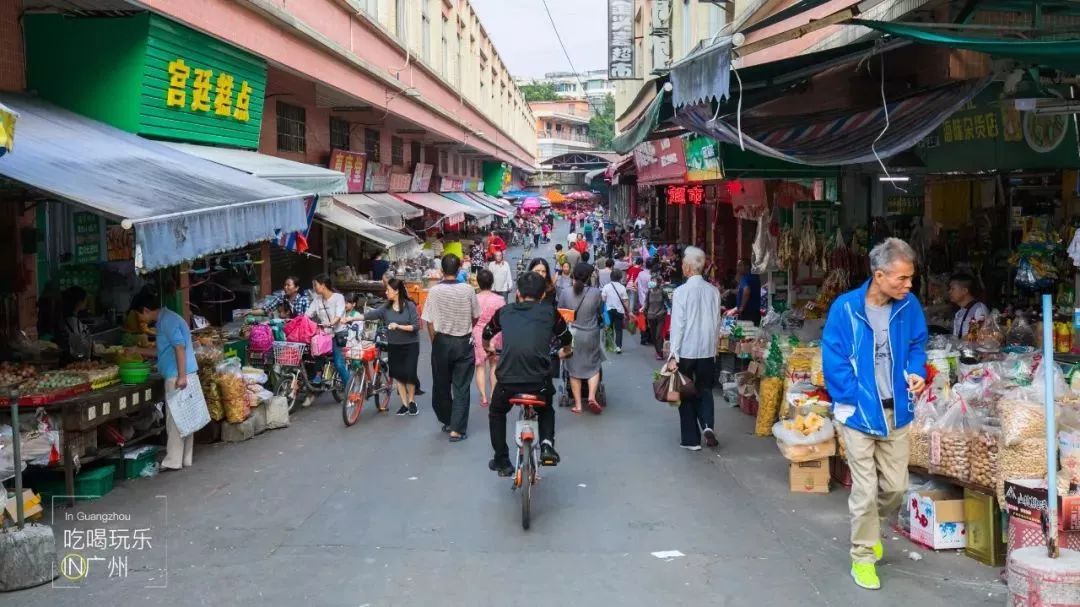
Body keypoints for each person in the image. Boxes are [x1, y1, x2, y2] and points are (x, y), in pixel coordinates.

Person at [821, 237, 928, 591]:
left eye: (910, 278)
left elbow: (916, 343)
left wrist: (916, 371)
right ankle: (863, 557)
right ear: (879, 275)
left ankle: (870, 527)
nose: (908, 285)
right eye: (902, 278)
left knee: (896, 488)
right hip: (858, 414)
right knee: (864, 491)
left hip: (897, 411)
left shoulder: (909, 306)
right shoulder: (846, 308)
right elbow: (833, 358)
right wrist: (850, 397)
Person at [482, 271, 573, 476]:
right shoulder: (550, 312)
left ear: (518, 293)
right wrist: (565, 351)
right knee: (546, 409)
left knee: (496, 413)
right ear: (542, 295)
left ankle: (502, 460)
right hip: (538, 383)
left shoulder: (504, 312)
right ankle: (547, 445)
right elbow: (566, 338)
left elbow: (486, 333)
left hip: (507, 383)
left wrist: (488, 347)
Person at [131, 289, 200, 470]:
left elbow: (179, 347)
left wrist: (182, 376)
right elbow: (164, 351)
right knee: (186, 418)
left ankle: (173, 461)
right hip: (184, 373)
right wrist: (137, 351)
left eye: (139, 315)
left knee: (175, 419)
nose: (140, 320)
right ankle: (185, 458)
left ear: (145, 310)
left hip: (177, 376)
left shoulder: (167, 322)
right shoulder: (168, 319)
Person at [666, 247, 721, 451]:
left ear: (688, 267)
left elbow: (678, 324)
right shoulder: (713, 291)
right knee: (705, 389)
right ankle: (707, 425)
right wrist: (714, 348)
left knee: (685, 392)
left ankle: (691, 440)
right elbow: (717, 323)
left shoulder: (681, 292)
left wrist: (673, 353)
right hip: (707, 350)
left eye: (683, 264)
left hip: (686, 351)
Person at [423, 254, 480, 442]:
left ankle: (448, 420)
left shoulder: (434, 291)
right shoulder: (468, 290)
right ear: (459, 270)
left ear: (441, 270)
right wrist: (466, 325)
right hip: (463, 342)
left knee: (441, 384)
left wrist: (435, 340)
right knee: (462, 386)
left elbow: (428, 321)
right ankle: (457, 428)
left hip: (441, 342)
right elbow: (476, 316)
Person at [355, 279, 422, 415]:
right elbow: (371, 315)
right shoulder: (386, 308)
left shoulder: (409, 306)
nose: (386, 292)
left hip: (410, 345)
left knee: (409, 374)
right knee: (398, 375)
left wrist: (398, 326)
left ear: (396, 291)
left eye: (388, 290)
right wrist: (351, 318)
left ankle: (411, 401)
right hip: (394, 344)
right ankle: (404, 404)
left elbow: (416, 326)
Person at [557, 263, 606, 414]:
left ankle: (578, 405)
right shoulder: (596, 293)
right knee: (593, 366)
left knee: (573, 369)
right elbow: (599, 312)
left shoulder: (565, 293)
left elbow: (560, 313)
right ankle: (591, 396)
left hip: (572, 335)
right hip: (591, 334)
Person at [306, 274, 350, 390]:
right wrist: (299, 322)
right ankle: (318, 375)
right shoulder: (317, 300)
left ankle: (351, 390)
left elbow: (339, 315)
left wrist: (331, 323)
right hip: (325, 335)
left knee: (339, 364)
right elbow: (307, 314)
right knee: (316, 349)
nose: (314, 288)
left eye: (315, 285)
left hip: (339, 334)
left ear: (323, 285)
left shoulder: (338, 298)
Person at [472, 269, 505, 408]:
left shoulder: (474, 298)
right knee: (494, 365)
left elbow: (472, 317)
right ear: (492, 282)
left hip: (478, 332)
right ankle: (492, 394)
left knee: (480, 366)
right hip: (495, 333)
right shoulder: (500, 300)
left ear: (478, 283)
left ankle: (483, 397)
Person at [55, 286, 91, 364]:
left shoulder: (64, 320)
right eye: (85, 300)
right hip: (74, 364)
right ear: (79, 302)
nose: (87, 302)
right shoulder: (74, 323)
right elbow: (80, 351)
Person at [948, 272, 988, 340]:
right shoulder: (959, 313)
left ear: (964, 291)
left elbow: (979, 337)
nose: (949, 292)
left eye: (953, 289)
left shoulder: (978, 310)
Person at [601, 269, 630, 354]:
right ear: (620, 277)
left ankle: (610, 345)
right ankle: (618, 346)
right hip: (619, 311)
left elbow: (603, 299)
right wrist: (628, 311)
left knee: (609, 328)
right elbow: (625, 301)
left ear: (611, 277)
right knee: (619, 329)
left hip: (609, 311)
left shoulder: (606, 287)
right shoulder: (622, 287)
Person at [644, 276, 669, 360]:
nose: (652, 282)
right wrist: (644, 312)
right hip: (650, 316)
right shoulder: (649, 292)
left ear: (658, 283)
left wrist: (667, 310)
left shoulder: (663, 292)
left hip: (660, 315)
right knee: (654, 335)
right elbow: (646, 304)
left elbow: (668, 303)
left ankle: (660, 353)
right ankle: (658, 350)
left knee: (658, 334)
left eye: (654, 281)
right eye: (651, 281)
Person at [731, 259, 762, 325]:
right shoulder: (755, 277)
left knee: (745, 333)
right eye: (737, 266)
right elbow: (741, 291)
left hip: (747, 312)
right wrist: (729, 291)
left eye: (740, 265)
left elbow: (747, 291)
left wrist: (741, 307)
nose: (737, 268)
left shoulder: (745, 278)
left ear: (747, 267)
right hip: (755, 312)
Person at [635, 261, 653, 345]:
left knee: (642, 320)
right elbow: (653, 288)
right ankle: (649, 338)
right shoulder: (650, 276)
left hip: (641, 300)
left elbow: (635, 283)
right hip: (649, 301)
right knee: (650, 319)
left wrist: (640, 290)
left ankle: (643, 338)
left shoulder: (640, 273)